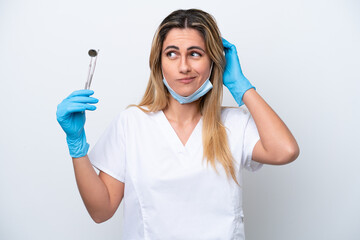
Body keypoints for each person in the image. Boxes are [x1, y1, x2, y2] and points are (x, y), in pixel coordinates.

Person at [56, 8, 299, 240]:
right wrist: (76, 145)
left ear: (214, 62)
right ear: (158, 62)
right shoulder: (132, 123)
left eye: (195, 53)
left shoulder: (235, 124)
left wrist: (240, 86)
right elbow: (101, 211)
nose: (183, 66)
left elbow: (285, 151)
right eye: (171, 53)